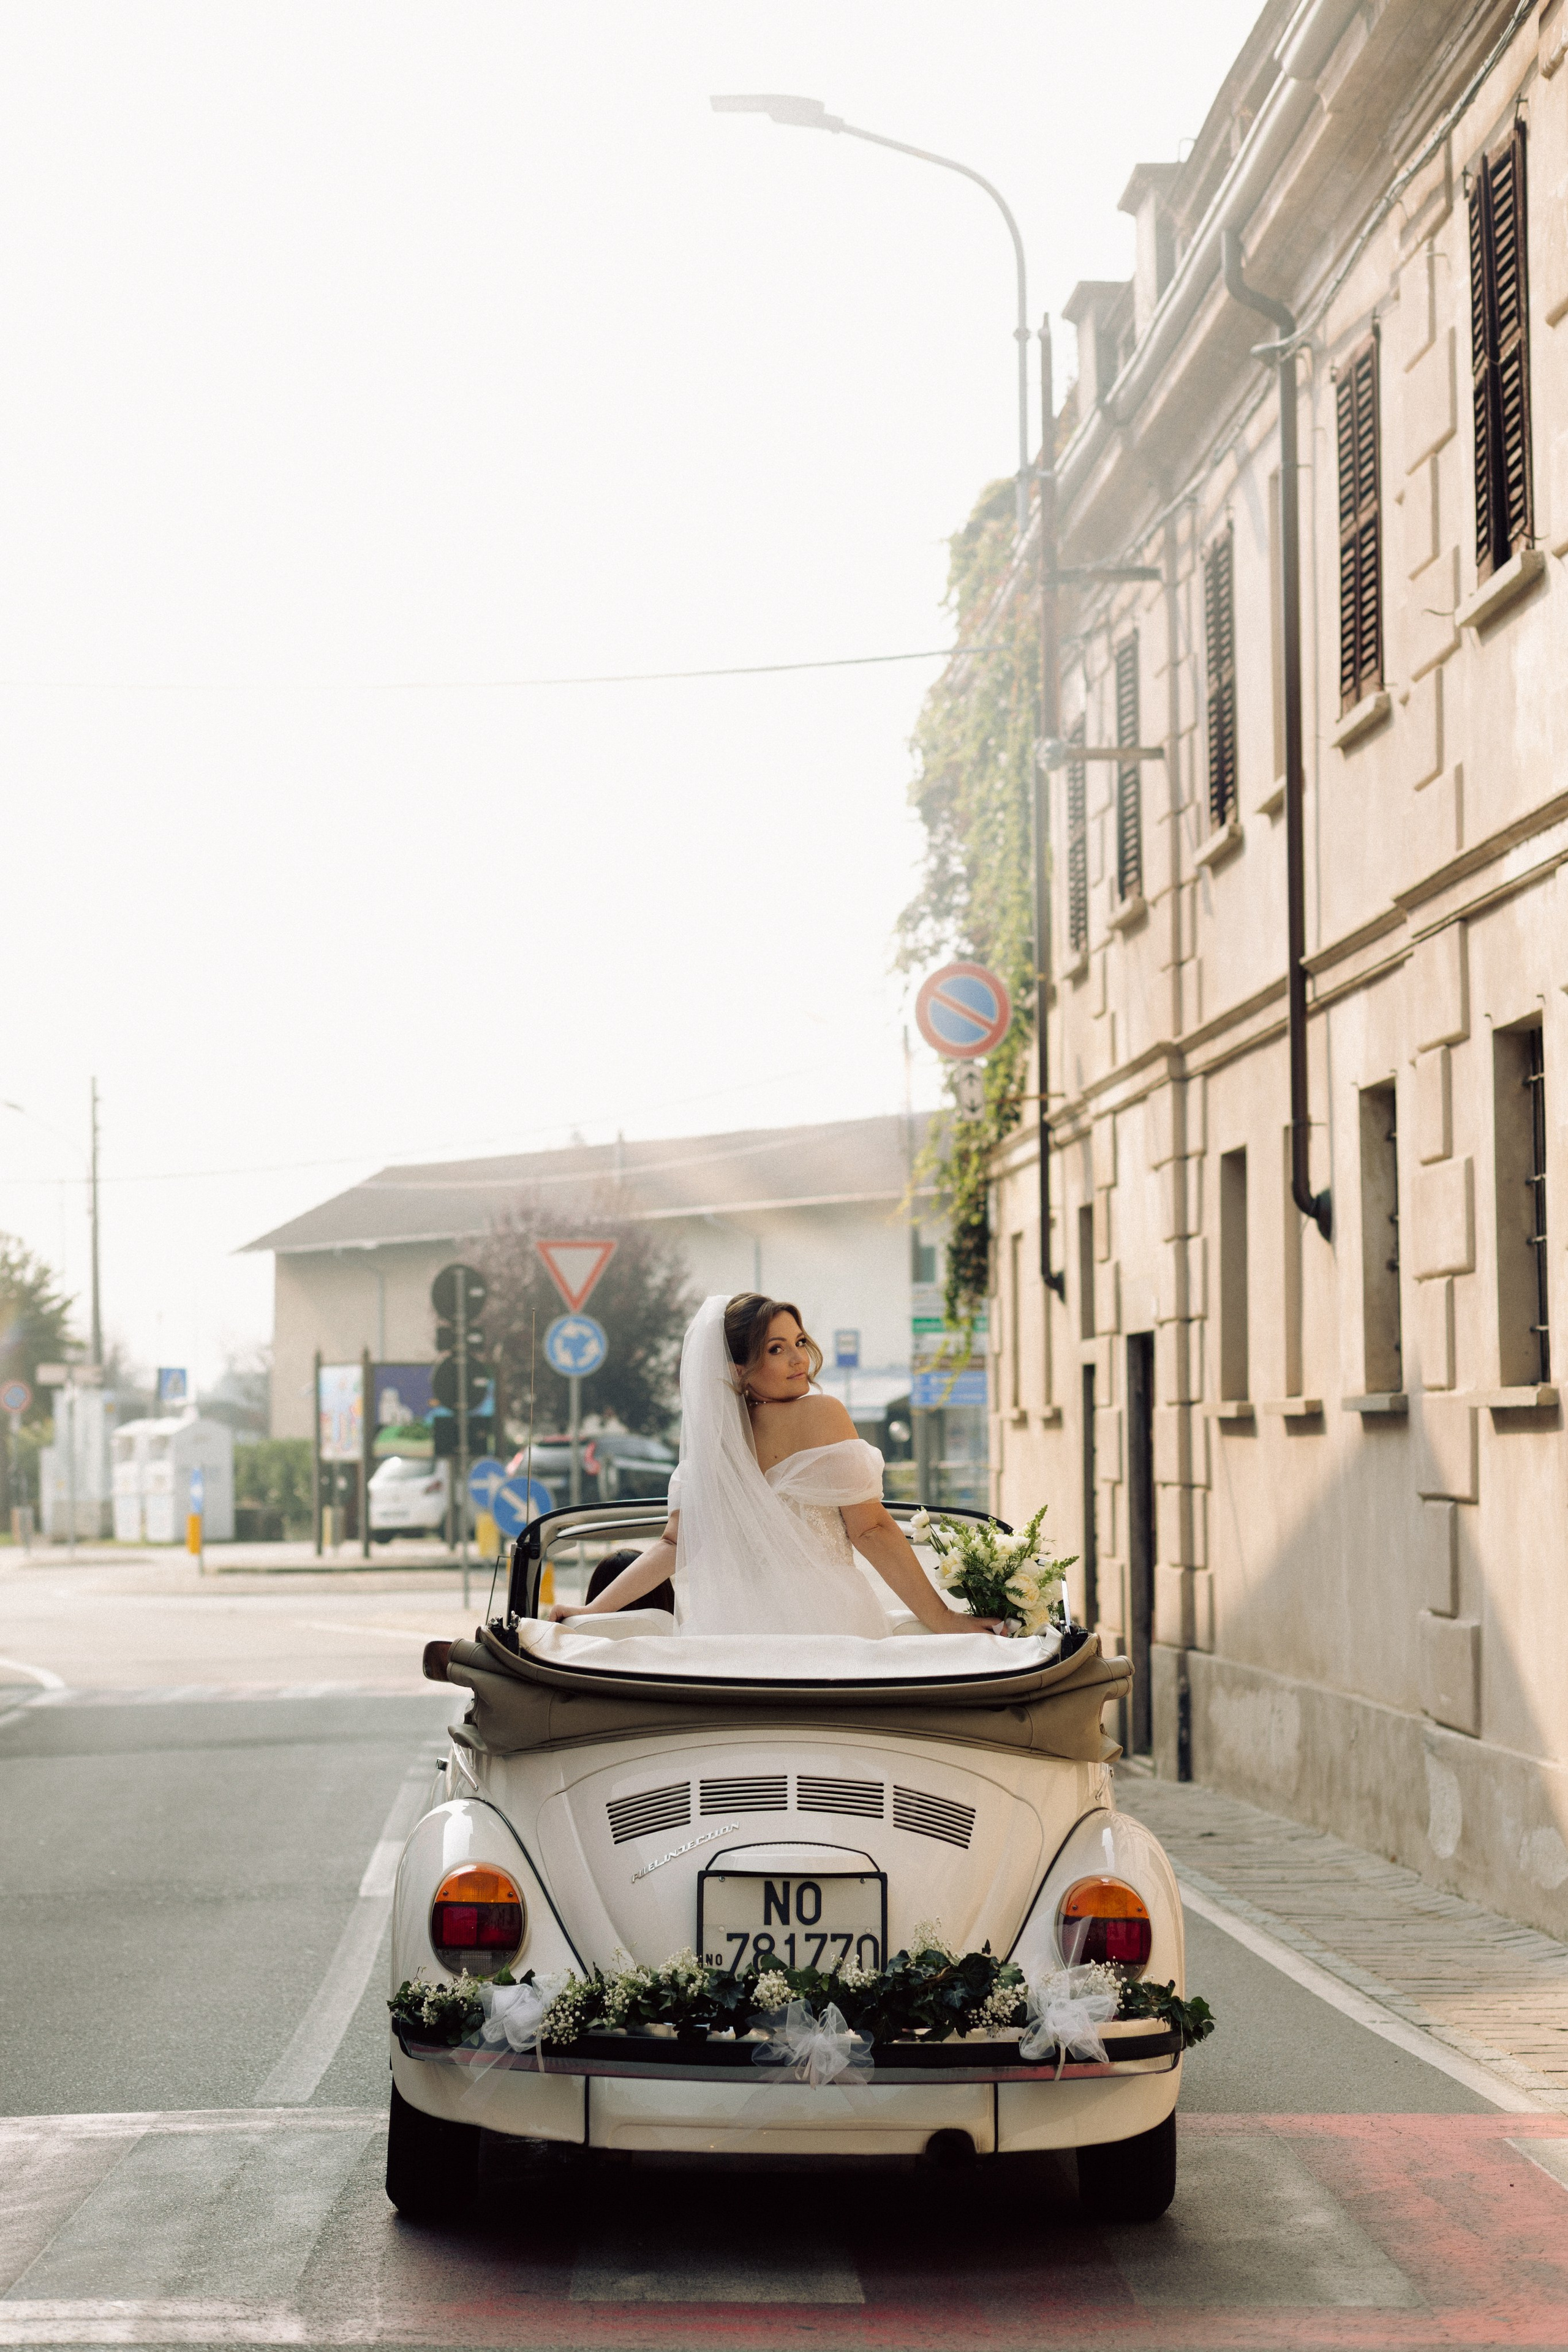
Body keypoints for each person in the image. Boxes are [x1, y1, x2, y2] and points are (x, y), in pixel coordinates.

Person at [546, 1291, 1006, 1637]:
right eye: (775, 1349)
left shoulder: (713, 1445)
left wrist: (592, 1612)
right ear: (737, 1368)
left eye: (799, 1342)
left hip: (729, 1629)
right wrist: (943, 1619)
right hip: (827, 1618)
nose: (799, 1358)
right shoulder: (822, 1414)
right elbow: (872, 1531)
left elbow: (672, 1545)